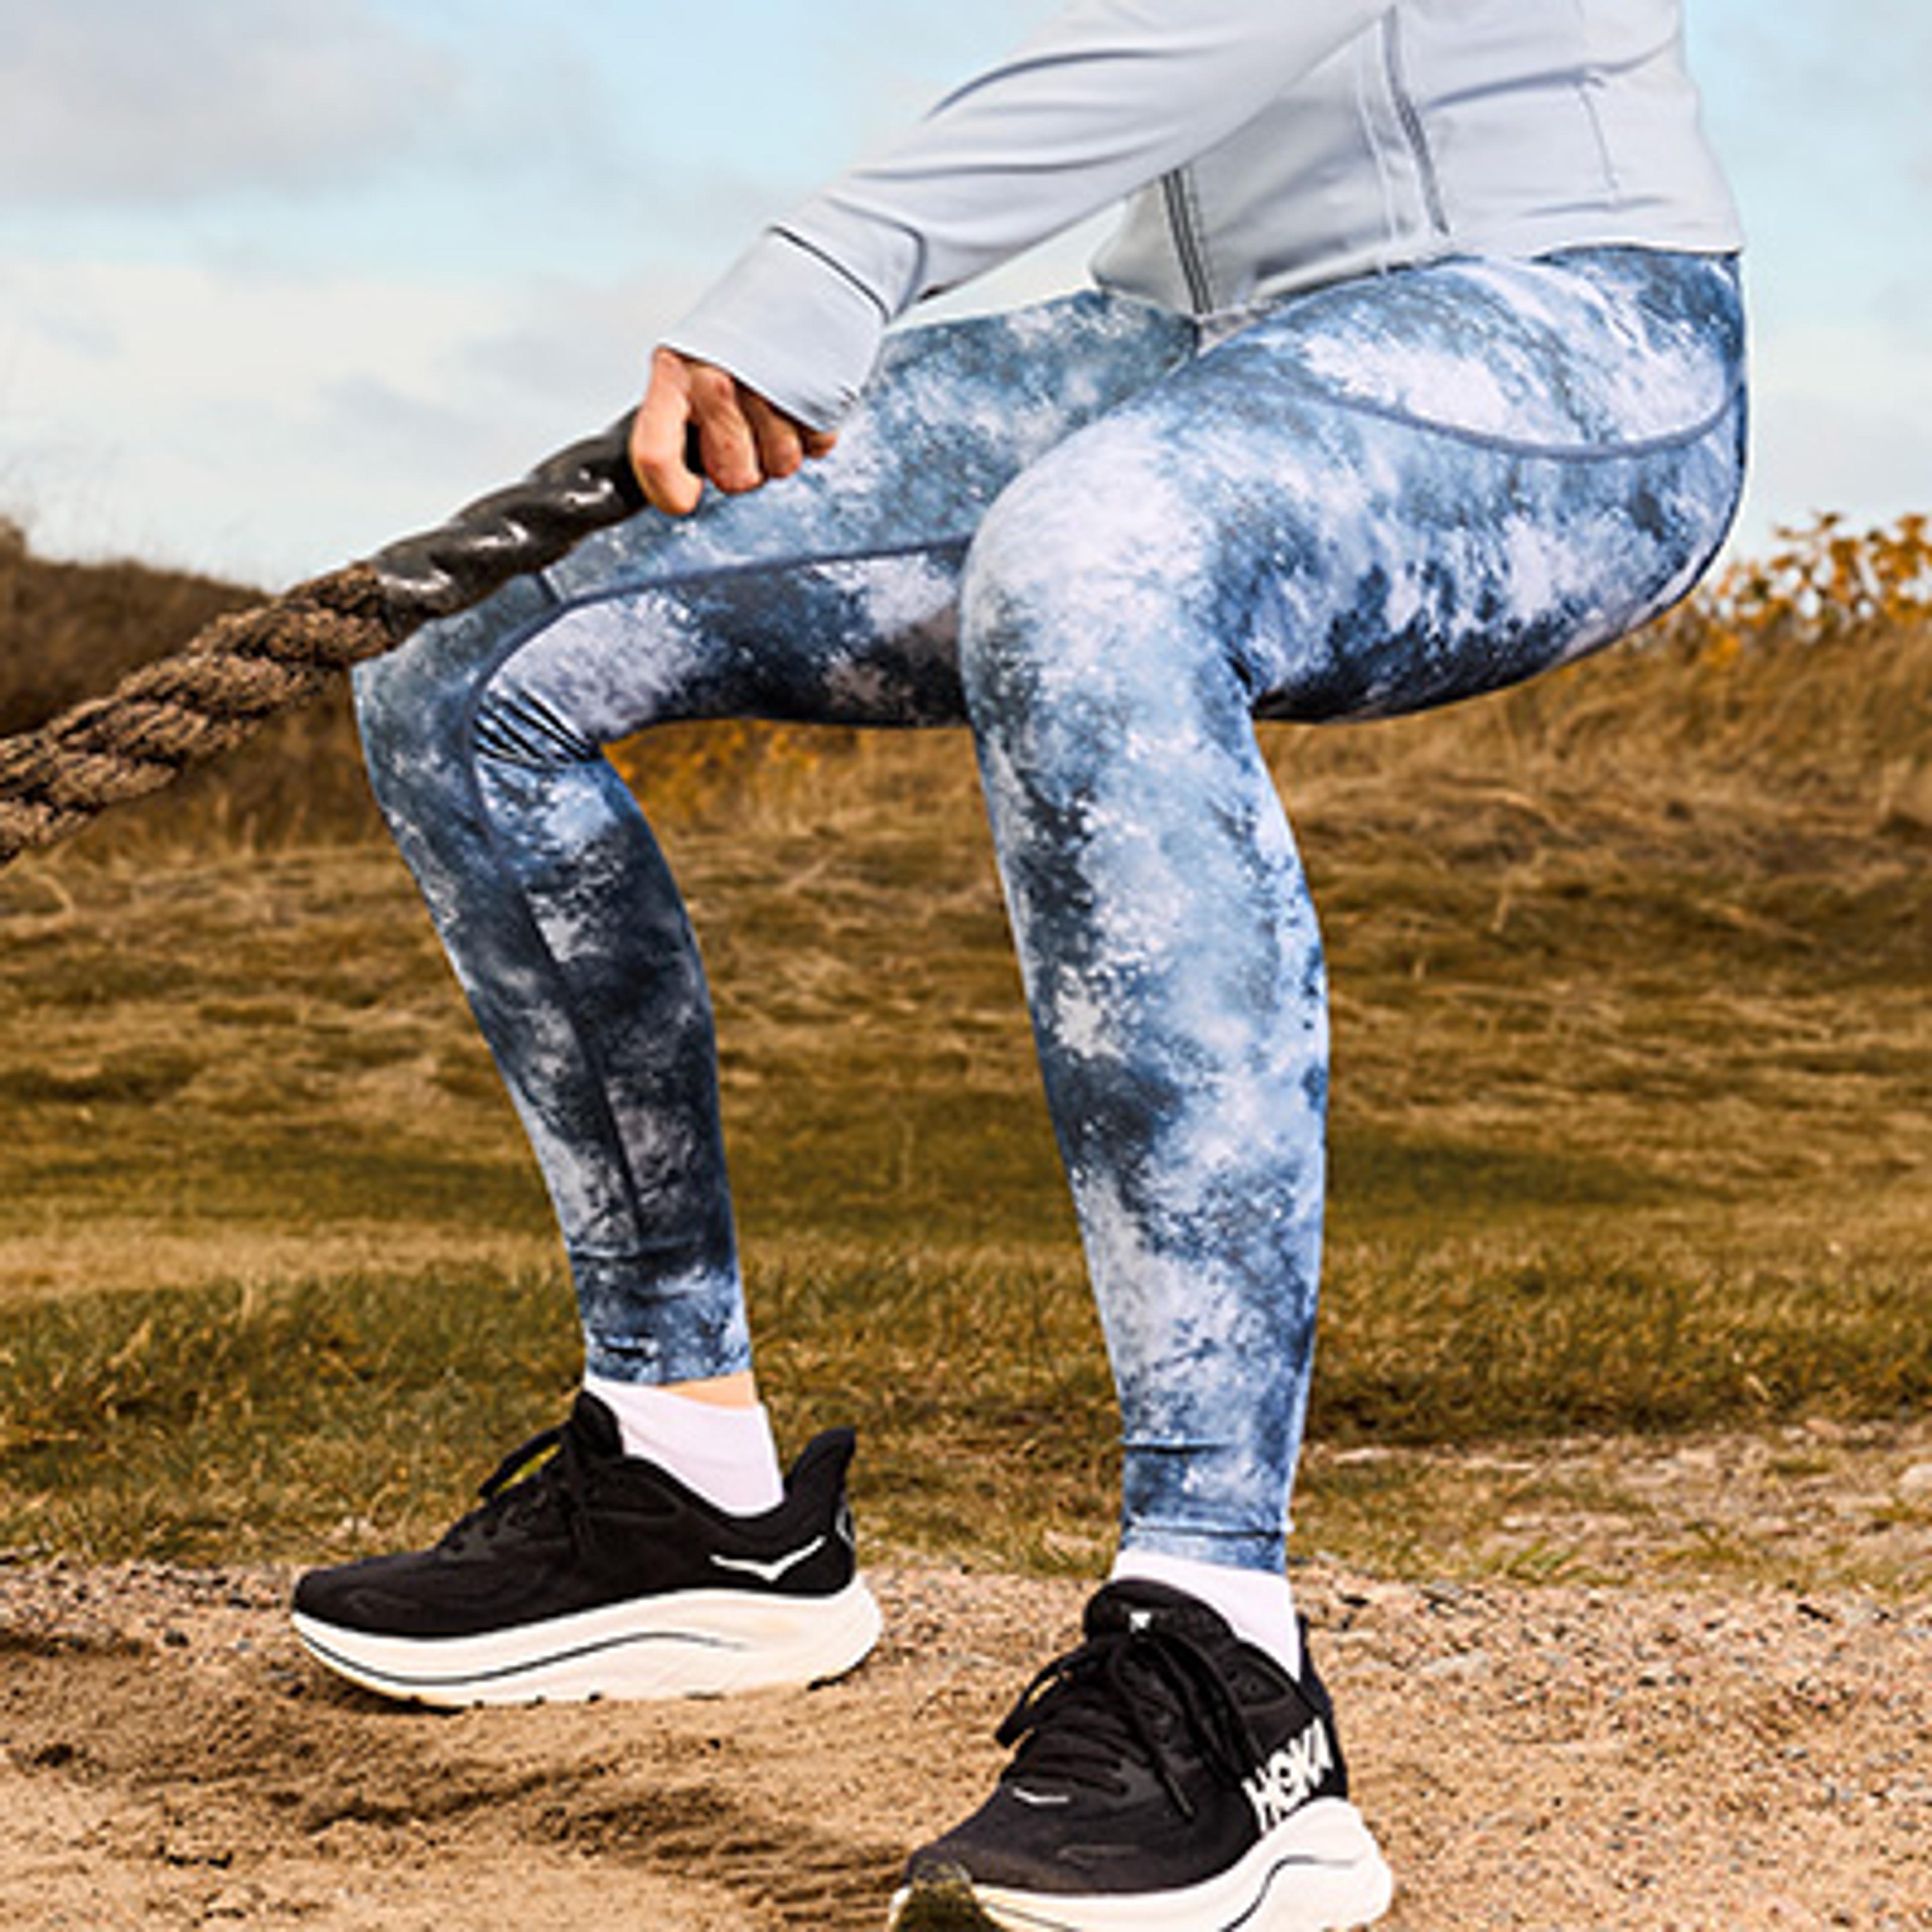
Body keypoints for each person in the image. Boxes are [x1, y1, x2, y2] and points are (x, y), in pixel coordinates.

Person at [289, 4, 1745, 1926]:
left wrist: (835, 256)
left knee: (1093, 563)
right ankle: (683, 1483)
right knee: (469, 662)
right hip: (1186, 348)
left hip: (1570, 331)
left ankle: (1226, 1665)